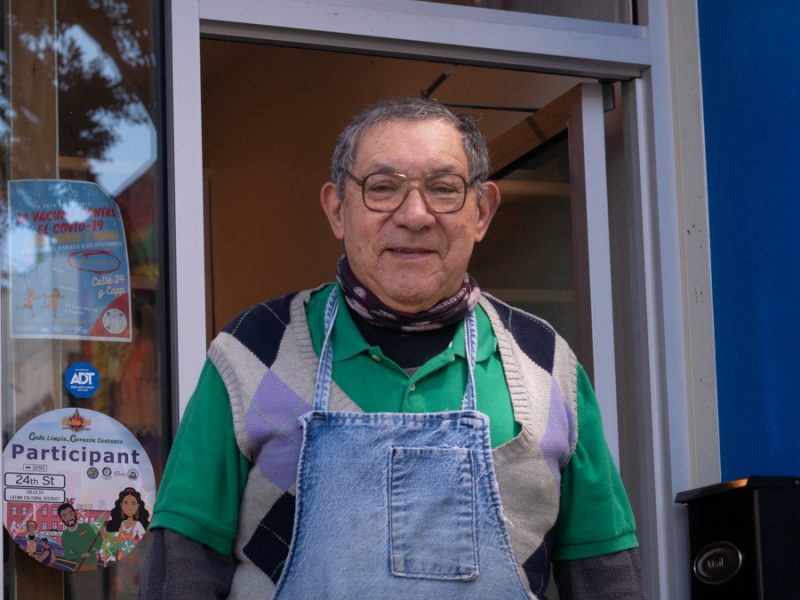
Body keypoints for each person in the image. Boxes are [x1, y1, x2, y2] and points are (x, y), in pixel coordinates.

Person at [141, 97, 644, 599]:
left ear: (481, 211)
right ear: (338, 210)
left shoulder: (546, 363)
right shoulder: (254, 350)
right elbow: (180, 574)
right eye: (383, 189)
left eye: (443, 189)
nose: (414, 214)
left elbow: (607, 577)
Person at [103, 487, 150, 562]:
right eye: (126, 503)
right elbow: (120, 540)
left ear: (137, 506)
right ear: (121, 505)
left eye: (133, 503)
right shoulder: (122, 523)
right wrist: (103, 533)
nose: (129, 507)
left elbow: (146, 540)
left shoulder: (137, 524)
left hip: (133, 559)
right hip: (121, 557)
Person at [58, 502, 103, 571]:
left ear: (75, 513)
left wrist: (100, 535)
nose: (69, 517)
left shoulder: (86, 527)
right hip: (79, 566)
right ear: (62, 519)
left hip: (92, 565)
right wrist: (81, 555)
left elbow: (97, 546)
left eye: (71, 513)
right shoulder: (65, 535)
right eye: (64, 516)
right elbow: (67, 555)